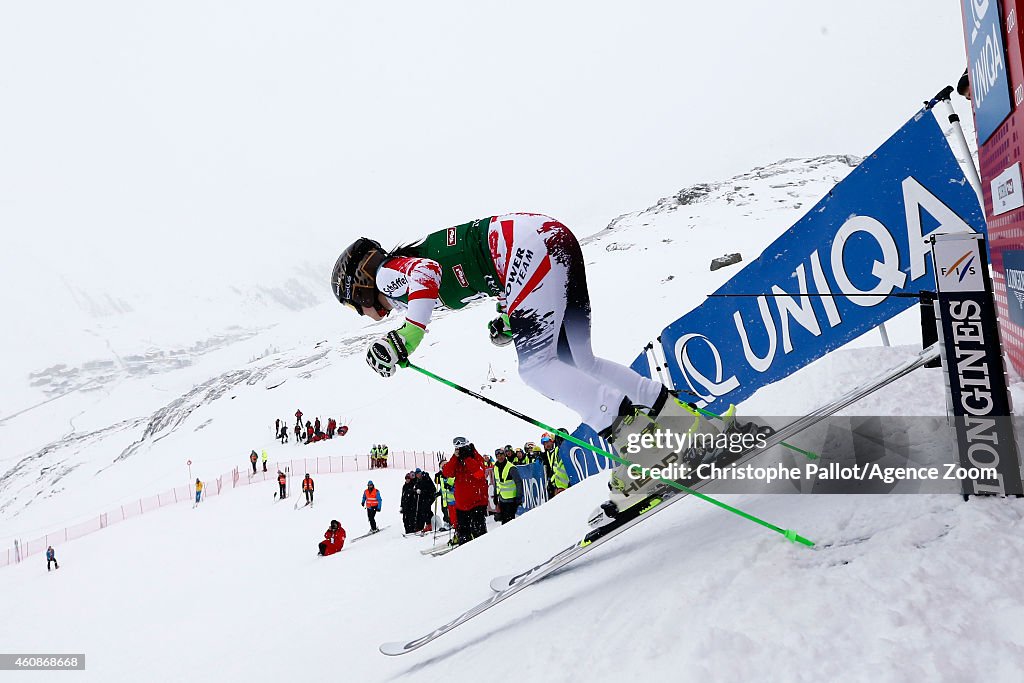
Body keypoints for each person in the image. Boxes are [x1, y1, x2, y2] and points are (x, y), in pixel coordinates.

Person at [331, 214, 729, 523]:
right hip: (549, 237)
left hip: (528, 250)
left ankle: (647, 450)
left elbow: (427, 276)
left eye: (353, 305)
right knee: (579, 361)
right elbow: (477, 266)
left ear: (361, 282)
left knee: (536, 367)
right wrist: (509, 313)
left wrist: (407, 339)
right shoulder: (403, 268)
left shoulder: (387, 275)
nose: (364, 315)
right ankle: (682, 422)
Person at [441, 437, 489, 545]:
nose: (460, 451)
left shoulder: (475, 457)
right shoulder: (456, 461)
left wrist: (467, 458)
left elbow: (479, 473)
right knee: (463, 537)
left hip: (477, 503)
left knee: (479, 535)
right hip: (461, 505)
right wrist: (455, 457)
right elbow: (447, 473)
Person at [492, 448, 522, 525]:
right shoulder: (495, 467)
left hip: (511, 500)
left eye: (501, 455)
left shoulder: (511, 468)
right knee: (504, 522)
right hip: (502, 499)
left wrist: (518, 497)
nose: (500, 457)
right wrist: (495, 495)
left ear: (504, 455)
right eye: (498, 456)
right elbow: (496, 482)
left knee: (509, 523)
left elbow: (518, 482)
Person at [543, 432, 570, 497]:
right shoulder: (549, 453)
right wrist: (551, 481)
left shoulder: (558, 449)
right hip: (557, 484)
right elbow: (554, 469)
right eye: (544, 443)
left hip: (564, 484)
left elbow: (562, 466)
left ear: (552, 441)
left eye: (547, 442)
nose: (546, 444)